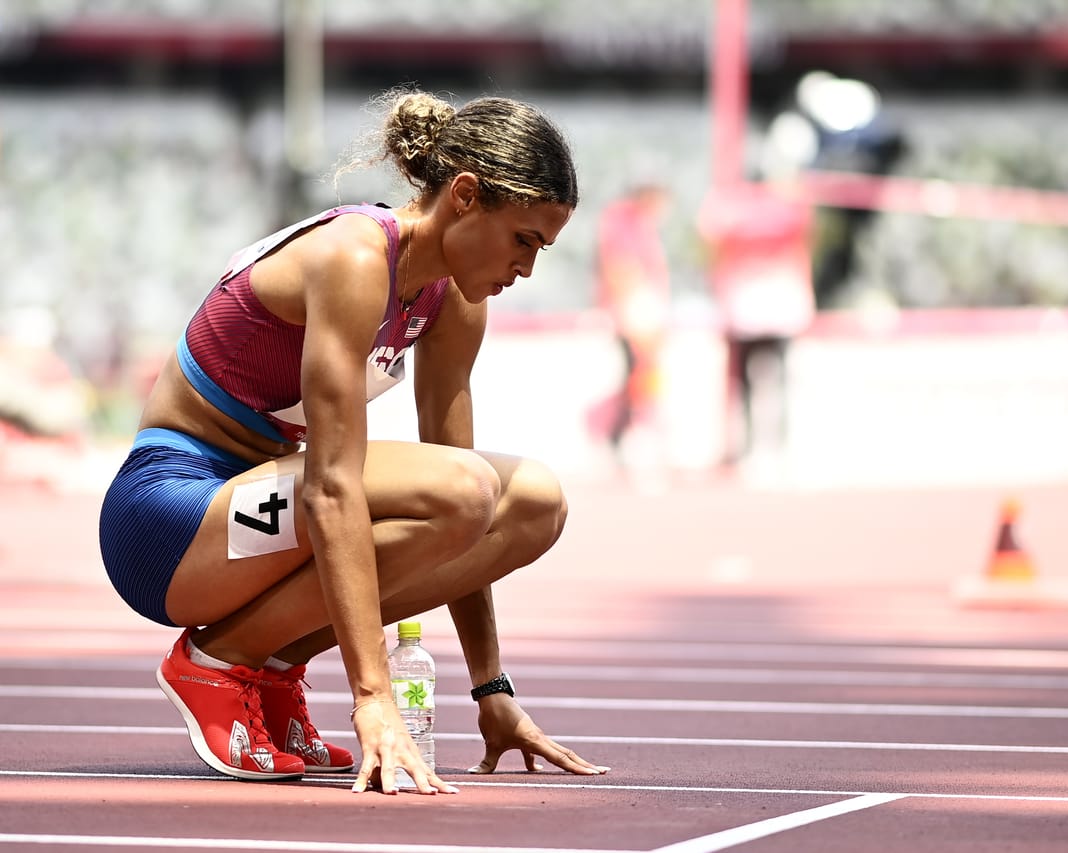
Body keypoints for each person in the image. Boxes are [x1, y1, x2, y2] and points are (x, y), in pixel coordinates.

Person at [98, 87, 609, 795]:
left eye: (542, 248)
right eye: (524, 239)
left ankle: (273, 668)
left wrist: (490, 685)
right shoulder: (354, 258)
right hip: (169, 522)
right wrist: (375, 696)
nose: (527, 268)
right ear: (465, 196)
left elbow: (467, 505)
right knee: (461, 489)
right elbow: (333, 486)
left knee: (532, 503)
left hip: (262, 511)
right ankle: (217, 662)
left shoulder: (455, 298)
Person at [698, 180, 815, 469]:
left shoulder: (734, 212)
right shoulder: (786, 208)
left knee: (747, 384)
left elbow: (710, 238)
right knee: (776, 381)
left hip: (748, 306)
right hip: (775, 305)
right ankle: (775, 447)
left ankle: (752, 447)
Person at [593, 182, 671, 468]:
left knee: (639, 377)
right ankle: (626, 435)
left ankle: (628, 434)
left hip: (639, 314)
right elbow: (621, 271)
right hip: (634, 316)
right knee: (637, 377)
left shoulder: (638, 226)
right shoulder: (623, 225)